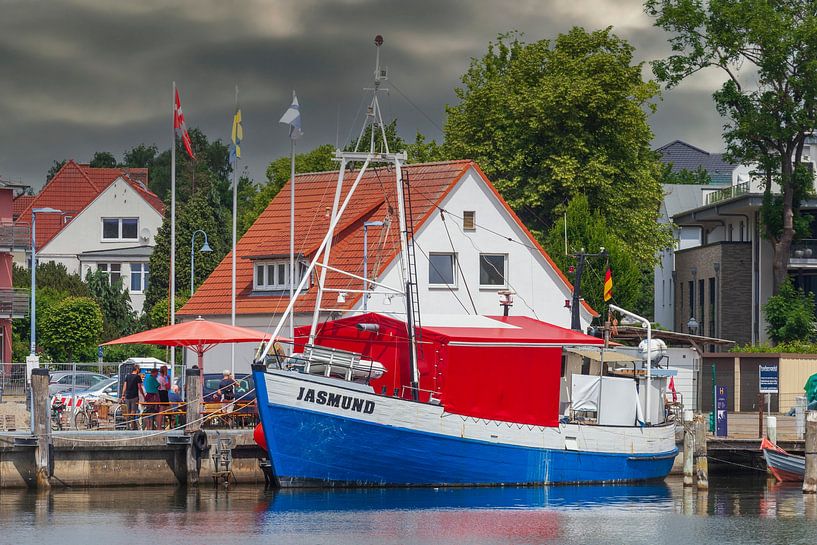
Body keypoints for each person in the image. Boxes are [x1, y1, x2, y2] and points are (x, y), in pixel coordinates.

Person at [121, 364, 145, 430]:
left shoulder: (127, 376)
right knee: (133, 411)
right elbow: (139, 387)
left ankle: (128, 426)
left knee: (128, 411)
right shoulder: (137, 377)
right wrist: (143, 395)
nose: (139, 370)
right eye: (139, 369)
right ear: (136, 369)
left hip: (127, 396)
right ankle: (132, 426)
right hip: (134, 396)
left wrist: (123, 395)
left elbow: (125, 386)